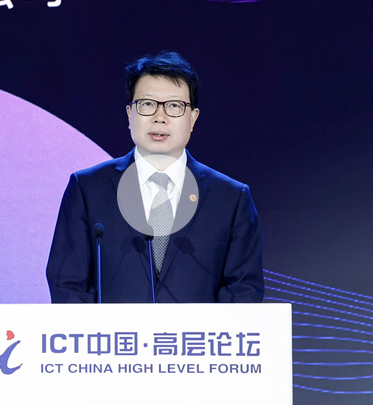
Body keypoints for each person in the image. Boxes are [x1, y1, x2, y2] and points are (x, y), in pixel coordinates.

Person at [46, 51, 264, 303]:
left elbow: (243, 292)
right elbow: (67, 284)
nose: (160, 118)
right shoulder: (87, 189)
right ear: (130, 114)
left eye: (174, 106)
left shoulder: (230, 198)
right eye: (147, 104)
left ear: (193, 118)